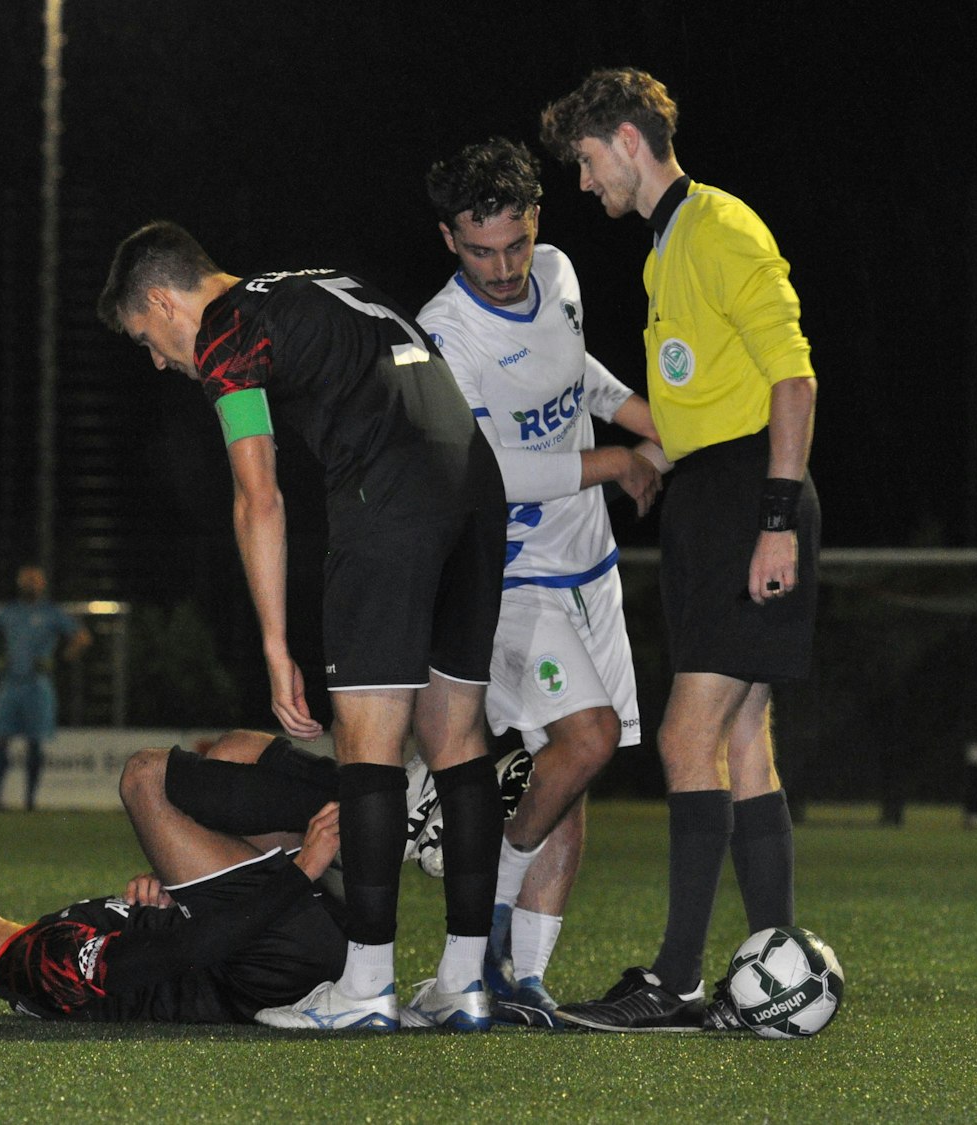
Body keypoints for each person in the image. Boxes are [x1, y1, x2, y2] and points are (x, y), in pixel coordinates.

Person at [96, 222, 508, 1031]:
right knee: (458, 738)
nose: (156, 359)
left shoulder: (225, 333)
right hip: (474, 484)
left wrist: (276, 643)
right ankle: (463, 981)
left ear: (162, 299)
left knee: (368, 743)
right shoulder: (312, 279)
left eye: (148, 337)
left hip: (389, 497)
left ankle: (366, 986)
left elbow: (260, 494)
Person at [539, 68, 822, 1032]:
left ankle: (678, 981)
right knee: (743, 738)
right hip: (716, 494)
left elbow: (793, 377)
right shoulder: (669, 249)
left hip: (749, 497)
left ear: (626, 140)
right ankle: (779, 969)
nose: (584, 184)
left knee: (682, 737)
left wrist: (775, 515)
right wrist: (652, 458)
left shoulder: (720, 229)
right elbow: (707, 394)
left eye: (584, 161)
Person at [414, 137, 669, 1028]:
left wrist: (653, 421)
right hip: (513, 579)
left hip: (591, 570)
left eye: (514, 244)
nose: (501, 265)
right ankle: (479, 906)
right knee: (589, 739)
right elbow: (493, 474)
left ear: (535, 227)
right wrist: (620, 460)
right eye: (479, 249)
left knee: (571, 778)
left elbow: (575, 374)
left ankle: (523, 981)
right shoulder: (444, 332)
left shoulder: (558, 273)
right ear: (449, 238)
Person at [0, 730, 348, 1023]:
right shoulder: (38, 967)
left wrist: (167, 896)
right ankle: (381, 804)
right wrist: (301, 872)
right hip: (275, 965)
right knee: (144, 778)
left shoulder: (34, 946)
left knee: (231, 752)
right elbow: (187, 952)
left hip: (279, 945)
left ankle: (386, 805)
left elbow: (161, 954)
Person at [0, 564, 89, 811]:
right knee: (1, 740)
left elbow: (82, 637)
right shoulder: (7, 611)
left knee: (34, 742)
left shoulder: (52, 613)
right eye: (26, 580)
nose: (30, 584)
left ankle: (30, 801)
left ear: (43, 584)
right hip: (10, 684)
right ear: (19, 583)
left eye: (35, 580)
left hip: (38, 686)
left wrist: (61, 659)